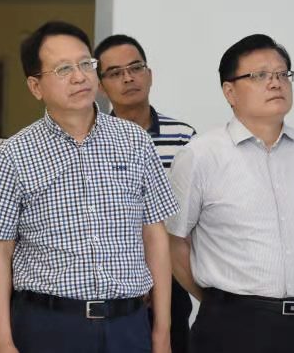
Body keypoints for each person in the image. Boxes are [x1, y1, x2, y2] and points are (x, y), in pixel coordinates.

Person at [0, 21, 178, 353]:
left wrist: (162, 331)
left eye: (86, 64)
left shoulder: (135, 142)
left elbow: (155, 236)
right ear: (35, 86)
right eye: (63, 69)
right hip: (49, 327)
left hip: (127, 325)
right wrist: (1, 342)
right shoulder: (14, 154)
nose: (79, 76)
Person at [167, 34, 294, 353]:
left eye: (282, 74)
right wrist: (221, 302)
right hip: (232, 328)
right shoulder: (200, 156)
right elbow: (174, 242)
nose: (275, 83)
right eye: (260, 75)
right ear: (230, 92)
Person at [94, 33, 196, 353]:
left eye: (135, 68)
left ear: (149, 74)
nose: (128, 78)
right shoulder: (91, 142)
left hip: (173, 276)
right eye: (114, 73)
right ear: (100, 86)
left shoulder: (184, 138)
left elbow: (191, 215)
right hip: (113, 281)